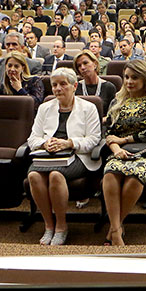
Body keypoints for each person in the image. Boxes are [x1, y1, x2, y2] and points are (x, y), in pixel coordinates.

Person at [26, 67, 101, 246]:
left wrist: (69, 143)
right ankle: (48, 225)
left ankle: (61, 226)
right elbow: (32, 138)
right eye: (54, 85)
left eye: (63, 84)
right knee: (34, 176)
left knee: (55, 176)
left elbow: (94, 139)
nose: (58, 89)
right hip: (47, 155)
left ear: (74, 86)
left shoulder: (88, 108)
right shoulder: (45, 108)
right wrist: (44, 144)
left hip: (77, 156)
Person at [102, 60, 146, 246]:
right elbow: (109, 133)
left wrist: (123, 141)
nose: (129, 81)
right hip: (120, 153)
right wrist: (116, 149)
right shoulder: (117, 101)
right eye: (126, 77)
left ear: (145, 79)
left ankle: (114, 229)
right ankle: (116, 230)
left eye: (134, 77)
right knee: (110, 174)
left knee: (134, 176)